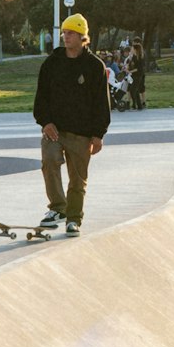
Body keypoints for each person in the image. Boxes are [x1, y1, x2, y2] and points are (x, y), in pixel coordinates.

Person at [33, 13, 111, 236]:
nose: (65, 37)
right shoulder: (52, 63)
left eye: (71, 33)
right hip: (54, 129)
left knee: (77, 179)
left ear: (82, 37)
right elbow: (41, 97)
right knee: (49, 161)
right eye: (64, 33)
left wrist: (98, 134)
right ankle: (58, 208)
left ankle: (74, 218)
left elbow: (101, 103)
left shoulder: (94, 66)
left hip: (83, 133)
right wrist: (45, 121)